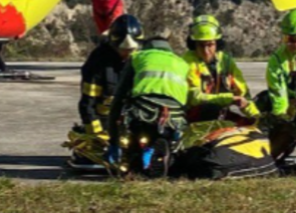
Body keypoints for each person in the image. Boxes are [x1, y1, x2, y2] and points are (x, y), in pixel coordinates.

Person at [106, 36, 189, 176]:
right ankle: (167, 150)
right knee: (170, 130)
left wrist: (113, 141)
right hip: (174, 115)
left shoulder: (138, 57)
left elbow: (118, 98)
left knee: (132, 117)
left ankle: (135, 155)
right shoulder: (182, 63)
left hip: (144, 110)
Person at [256, 9, 296, 159]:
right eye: (286, 38)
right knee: (261, 102)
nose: (289, 43)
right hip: (289, 102)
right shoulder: (277, 59)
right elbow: (277, 94)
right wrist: (283, 119)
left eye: (294, 39)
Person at [182, 15, 260, 123]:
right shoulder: (188, 63)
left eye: (210, 45)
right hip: (195, 117)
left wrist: (257, 117)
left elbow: (243, 94)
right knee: (211, 109)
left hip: (219, 113)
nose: (206, 51)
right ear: (193, 45)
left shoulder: (226, 62)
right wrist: (229, 99)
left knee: (250, 123)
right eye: (201, 45)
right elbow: (195, 99)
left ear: (217, 44)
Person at [79, 14, 143, 138]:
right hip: (105, 121)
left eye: (132, 50)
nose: (128, 54)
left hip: (136, 120)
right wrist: (97, 133)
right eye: (124, 50)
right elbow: (87, 104)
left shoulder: (144, 58)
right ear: (114, 45)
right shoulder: (98, 62)